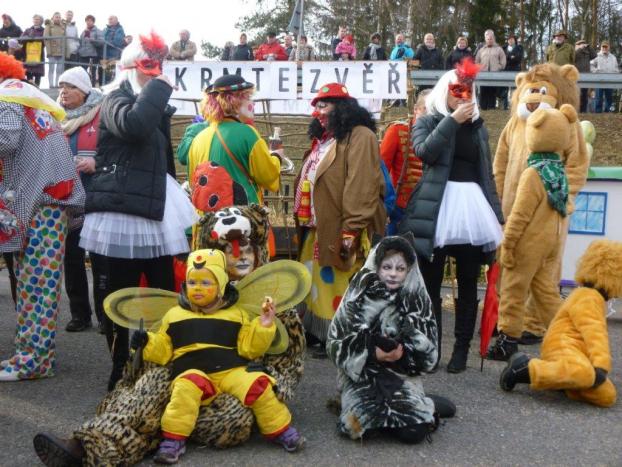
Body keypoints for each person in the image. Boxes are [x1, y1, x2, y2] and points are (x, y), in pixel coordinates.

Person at [32, 205, 308, 466]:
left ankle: (166, 434)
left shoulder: (272, 302)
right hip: (187, 371)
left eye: (247, 249)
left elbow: (288, 364)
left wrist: (272, 378)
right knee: (146, 396)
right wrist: (146, 348)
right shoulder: (185, 304)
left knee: (227, 420)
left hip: (239, 381)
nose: (241, 257)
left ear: (259, 251)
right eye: (228, 251)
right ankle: (90, 446)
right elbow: (163, 344)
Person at [79, 32, 197, 391]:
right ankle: (120, 369)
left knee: (163, 292)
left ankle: (159, 364)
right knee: (119, 297)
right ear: (131, 67)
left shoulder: (153, 104)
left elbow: (162, 161)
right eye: (148, 65)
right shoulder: (115, 99)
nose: (155, 72)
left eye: (159, 65)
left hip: (155, 211)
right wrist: (159, 88)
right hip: (121, 213)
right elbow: (134, 125)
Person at [132, 249, 305, 462]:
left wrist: (264, 325)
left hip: (232, 370)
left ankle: (280, 430)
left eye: (206, 283)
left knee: (258, 385)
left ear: (221, 286)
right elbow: (164, 350)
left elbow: (249, 348)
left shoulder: (237, 314)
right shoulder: (174, 315)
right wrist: (146, 342)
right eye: (192, 282)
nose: (197, 288)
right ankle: (173, 441)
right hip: (193, 370)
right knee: (184, 390)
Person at [398, 58, 504, 373]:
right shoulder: (428, 121)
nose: (463, 95)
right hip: (437, 210)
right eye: (457, 90)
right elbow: (425, 152)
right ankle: (432, 349)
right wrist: (452, 121)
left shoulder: (479, 129)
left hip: (472, 213)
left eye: (468, 90)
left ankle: (461, 350)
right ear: (445, 90)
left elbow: (486, 174)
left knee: (469, 282)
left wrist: (497, 214)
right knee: (431, 283)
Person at [0, 52, 85, 381]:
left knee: (36, 285)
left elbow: (4, 139)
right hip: (48, 202)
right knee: (33, 283)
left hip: (40, 203)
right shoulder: (28, 99)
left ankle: (35, 360)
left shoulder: (7, 97)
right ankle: (29, 353)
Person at [327, 235, 455, 442]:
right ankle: (397, 408)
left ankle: (416, 403)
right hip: (362, 377)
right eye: (387, 267)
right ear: (376, 266)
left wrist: (402, 355)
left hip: (401, 376)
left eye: (400, 268)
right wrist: (371, 352)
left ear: (409, 270)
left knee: (414, 434)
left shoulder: (416, 299)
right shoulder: (357, 296)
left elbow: (430, 356)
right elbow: (335, 344)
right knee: (355, 427)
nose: (393, 274)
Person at [294, 83, 386, 353]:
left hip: (343, 226)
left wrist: (351, 228)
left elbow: (361, 184)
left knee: (339, 282)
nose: (318, 113)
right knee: (316, 283)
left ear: (342, 108)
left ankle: (339, 335)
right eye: (316, 107)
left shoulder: (361, 136)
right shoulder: (325, 139)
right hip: (319, 225)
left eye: (324, 106)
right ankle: (317, 330)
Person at [489, 105, 575, 360]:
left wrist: (508, 243)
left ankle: (507, 340)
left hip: (529, 243)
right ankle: (570, 336)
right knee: (546, 293)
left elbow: (520, 215)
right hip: (551, 242)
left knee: (513, 291)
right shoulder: (558, 171)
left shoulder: (533, 173)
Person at [500, 239, 621, 408]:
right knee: (587, 373)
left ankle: (562, 380)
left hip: (574, 351)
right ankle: (525, 369)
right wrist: (601, 365)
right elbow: (595, 334)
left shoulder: (590, 296)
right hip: (562, 347)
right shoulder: (589, 297)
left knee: (606, 395)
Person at [56, 66, 107, 333]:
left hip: (96, 195)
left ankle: (105, 316)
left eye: (71, 86)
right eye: (61, 86)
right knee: (72, 257)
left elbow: (115, 151)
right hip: (67, 199)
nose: (64, 92)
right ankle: (79, 314)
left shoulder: (103, 113)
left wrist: (96, 162)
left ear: (85, 91)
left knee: (100, 259)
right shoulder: (56, 116)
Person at [188, 74, 281, 211]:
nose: (253, 103)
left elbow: (193, 182)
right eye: (248, 97)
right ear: (234, 101)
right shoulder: (248, 134)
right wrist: (277, 157)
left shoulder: (198, 139)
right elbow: (267, 176)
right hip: (240, 218)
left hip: (206, 219)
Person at [380, 90, 429, 234]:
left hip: (430, 208)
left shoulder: (442, 133)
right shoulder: (397, 130)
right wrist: (383, 207)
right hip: (400, 208)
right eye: (426, 109)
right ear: (416, 110)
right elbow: (381, 171)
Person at [475, 29, 506, 110]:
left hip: (494, 74)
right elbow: (477, 61)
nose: (489, 40)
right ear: (485, 39)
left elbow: (503, 61)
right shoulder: (481, 50)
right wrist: (479, 68)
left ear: (494, 38)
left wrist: (499, 67)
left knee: (492, 91)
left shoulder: (499, 49)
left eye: (491, 38)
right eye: (488, 39)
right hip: (483, 74)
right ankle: (483, 106)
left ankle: (491, 107)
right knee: (483, 90)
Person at [590, 41, 619, 113]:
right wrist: (596, 71)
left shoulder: (613, 57)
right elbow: (591, 65)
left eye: (606, 47)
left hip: (610, 81)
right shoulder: (596, 56)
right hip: (599, 80)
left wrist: (615, 76)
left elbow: (616, 69)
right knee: (598, 98)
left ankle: (608, 113)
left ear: (609, 47)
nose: (604, 48)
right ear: (601, 47)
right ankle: (598, 113)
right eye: (603, 47)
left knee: (609, 98)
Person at [78, 15, 103, 87]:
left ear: (93, 22)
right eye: (87, 21)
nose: (88, 22)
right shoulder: (83, 32)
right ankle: (83, 86)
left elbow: (101, 42)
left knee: (93, 71)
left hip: (93, 54)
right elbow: (80, 42)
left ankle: (92, 87)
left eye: (90, 21)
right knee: (83, 71)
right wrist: (79, 50)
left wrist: (92, 40)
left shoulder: (98, 31)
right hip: (83, 54)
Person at [20, 14, 45, 86]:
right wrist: (28, 37)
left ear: (41, 21)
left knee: (38, 73)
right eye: (35, 19)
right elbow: (21, 39)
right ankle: (29, 89)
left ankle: (37, 88)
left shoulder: (44, 30)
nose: (36, 21)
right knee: (28, 73)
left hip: (38, 54)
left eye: (38, 19)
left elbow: (45, 40)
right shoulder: (28, 30)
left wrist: (35, 38)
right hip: (28, 54)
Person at [500, 34, 523, 110]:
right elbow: (502, 58)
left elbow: (519, 58)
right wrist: (511, 56)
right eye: (509, 39)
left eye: (512, 39)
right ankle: (505, 106)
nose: (510, 40)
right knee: (505, 89)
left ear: (515, 40)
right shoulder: (504, 48)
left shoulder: (519, 47)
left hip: (515, 70)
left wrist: (509, 57)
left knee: (515, 89)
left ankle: (514, 105)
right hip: (506, 70)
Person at [43, 12, 66, 87]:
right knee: (51, 69)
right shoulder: (48, 25)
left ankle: (57, 84)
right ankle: (51, 84)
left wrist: (65, 51)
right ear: (53, 18)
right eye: (56, 17)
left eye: (59, 17)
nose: (58, 18)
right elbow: (46, 38)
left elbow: (65, 39)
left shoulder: (63, 26)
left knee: (59, 69)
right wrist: (49, 51)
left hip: (61, 51)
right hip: (52, 51)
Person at [574, 39, 597, 113]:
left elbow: (594, 55)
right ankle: (576, 110)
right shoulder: (574, 52)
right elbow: (573, 57)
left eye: (583, 44)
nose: (583, 45)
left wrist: (589, 47)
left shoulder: (587, 53)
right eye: (580, 44)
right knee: (577, 95)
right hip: (577, 76)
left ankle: (583, 111)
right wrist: (579, 49)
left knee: (584, 94)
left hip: (586, 76)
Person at [101, 15, 126, 83]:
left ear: (116, 20)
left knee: (108, 76)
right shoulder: (105, 29)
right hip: (103, 55)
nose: (110, 20)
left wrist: (105, 42)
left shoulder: (120, 30)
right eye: (109, 19)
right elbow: (100, 38)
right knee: (101, 75)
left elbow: (117, 42)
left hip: (112, 56)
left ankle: (107, 89)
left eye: (111, 19)